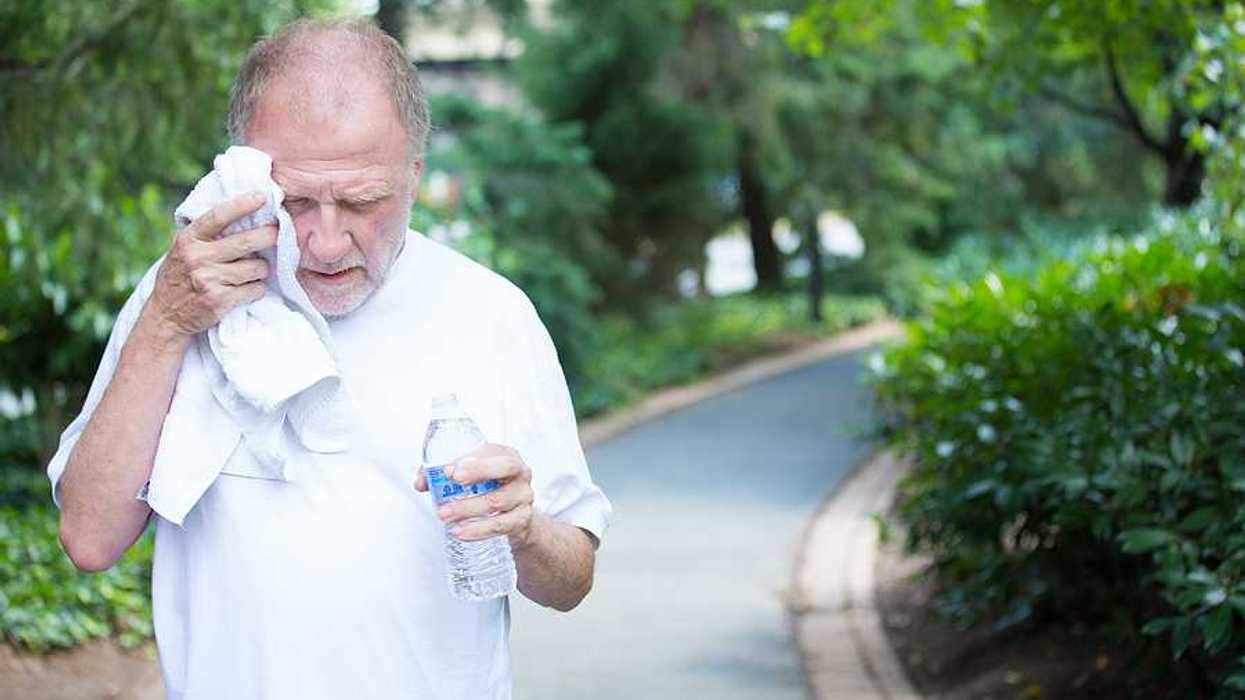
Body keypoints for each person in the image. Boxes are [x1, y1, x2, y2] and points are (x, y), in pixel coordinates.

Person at [45, 17, 611, 700]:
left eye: (362, 201)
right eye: (294, 201)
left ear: (414, 174)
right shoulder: (184, 294)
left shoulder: (490, 314)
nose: (324, 241)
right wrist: (167, 324)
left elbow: (570, 580)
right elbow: (89, 538)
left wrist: (524, 528)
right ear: (243, 173)